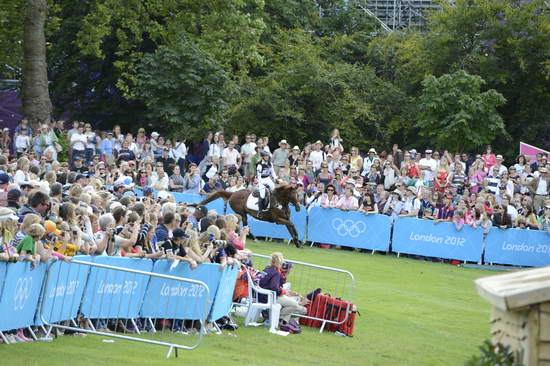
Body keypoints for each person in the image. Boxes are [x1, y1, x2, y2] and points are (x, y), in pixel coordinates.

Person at [259, 252, 307, 327]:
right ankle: (274, 318)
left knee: (293, 302)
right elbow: (274, 288)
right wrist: (283, 291)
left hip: (262, 295)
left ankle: (279, 320)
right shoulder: (276, 272)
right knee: (294, 304)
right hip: (270, 297)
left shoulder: (267, 269)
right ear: (280, 261)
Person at [256, 151, 278, 216]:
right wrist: (263, 184)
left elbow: (273, 172)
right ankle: (260, 211)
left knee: (274, 189)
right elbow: (259, 176)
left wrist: (275, 178)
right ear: (262, 157)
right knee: (262, 195)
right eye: (265, 156)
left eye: (267, 156)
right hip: (261, 180)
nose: (267, 157)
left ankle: (275, 204)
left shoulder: (270, 163)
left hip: (268, 178)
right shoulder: (259, 165)